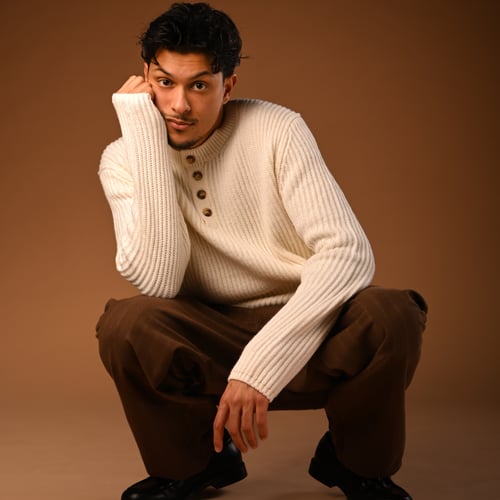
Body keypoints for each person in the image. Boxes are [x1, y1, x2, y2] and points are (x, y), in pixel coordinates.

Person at [96, 3, 428, 500]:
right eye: (164, 83)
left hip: (309, 325)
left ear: (228, 86)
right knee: (126, 325)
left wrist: (259, 368)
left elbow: (348, 253)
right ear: (145, 78)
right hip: (209, 332)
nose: (179, 105)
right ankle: (193, 463)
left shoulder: (277, 128)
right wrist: (144, 138)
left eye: (199, 85)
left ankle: (355, 462)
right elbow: (160, 280)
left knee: (392, 314)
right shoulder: (123, 159)